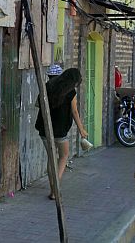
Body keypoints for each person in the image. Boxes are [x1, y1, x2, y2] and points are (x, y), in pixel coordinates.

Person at [35, 66, 88, 200]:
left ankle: (53, 190)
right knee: (64, 155)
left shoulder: (47, 87)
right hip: (60, 131)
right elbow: (75, 112)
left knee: (51, 158)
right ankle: (56, 188)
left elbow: (37, 104)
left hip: (44, 130)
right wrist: (81, 130)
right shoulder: (70, 92)